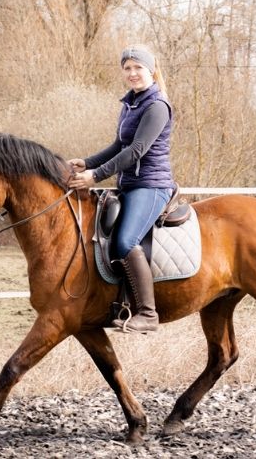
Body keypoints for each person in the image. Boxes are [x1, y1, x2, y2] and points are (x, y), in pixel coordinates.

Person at [67, 45, 175, 334]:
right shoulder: (131, 103)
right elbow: (119, 146)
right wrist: (86, 162)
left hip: (152, 185)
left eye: (137, 67)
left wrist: (96, 175)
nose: (132, 73)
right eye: (127, 68)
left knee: (125, 242)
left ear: (151, 70)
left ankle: (148, 314)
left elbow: (137, 151)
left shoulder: (156, 106)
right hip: (128, 184)